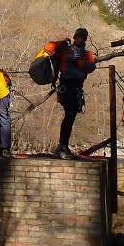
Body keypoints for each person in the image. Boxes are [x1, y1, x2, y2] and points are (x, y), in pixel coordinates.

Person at [44, 28, 97, 159]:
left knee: (70, 117)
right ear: (75, 37)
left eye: (82, 37)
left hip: (77, 87)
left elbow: (91, 67)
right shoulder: (65, 51)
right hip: (67, 86)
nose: (80, 39)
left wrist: (77, 62)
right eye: (79, 37)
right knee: (69, 116)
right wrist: (61, 43)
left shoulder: (87, 54)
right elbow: (48, 49)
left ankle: (63, 146)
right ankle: (62, 147)